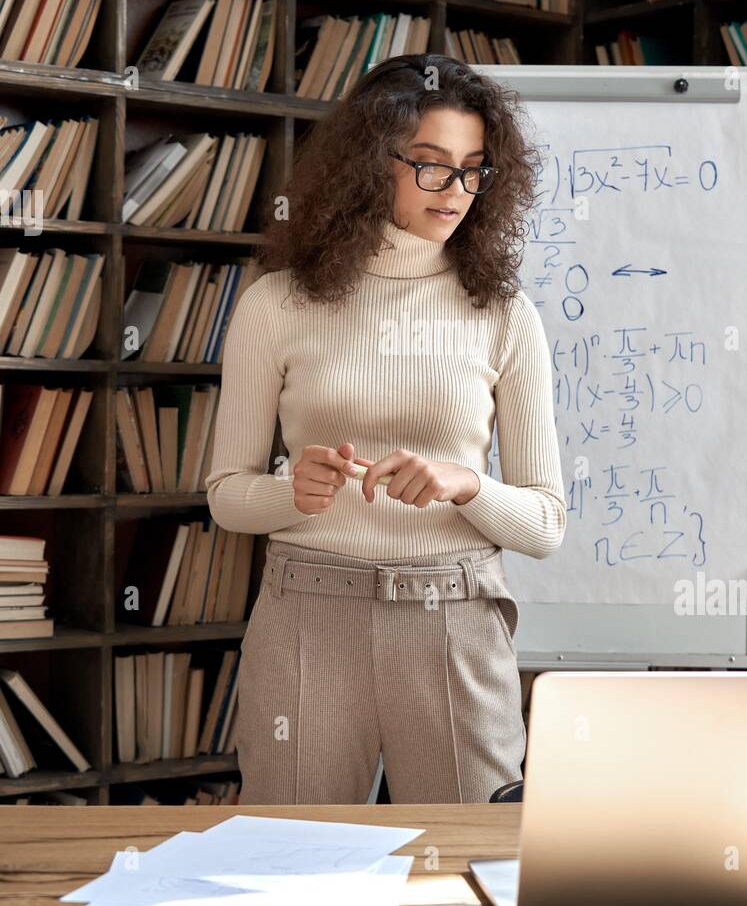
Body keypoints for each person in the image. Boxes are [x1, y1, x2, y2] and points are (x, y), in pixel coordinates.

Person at [205, 53, 566, 804]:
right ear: (371, 163)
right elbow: (226, 496)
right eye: (431, 166)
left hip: (456, 617)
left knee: (476, 876)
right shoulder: (276, 304)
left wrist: (467, 485)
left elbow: (545, 524)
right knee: (292, 869)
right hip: (307, 612)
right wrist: (290, 493)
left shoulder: (505, 314)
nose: (456, 191)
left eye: (475, 170)